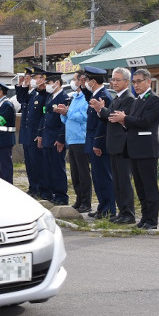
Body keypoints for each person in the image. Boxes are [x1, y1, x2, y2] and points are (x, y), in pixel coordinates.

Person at [109, 68, 159, 229]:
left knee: (149, 186)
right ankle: (144, 218)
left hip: (147, 149)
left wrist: (125, 118)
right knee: (140, 187)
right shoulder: (138, 100)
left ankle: (152, 220)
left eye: (139, 81)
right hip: (134, 149)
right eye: (134, 82)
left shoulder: (153, 99)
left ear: (148, 81)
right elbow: (133, 122)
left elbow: (145, 121)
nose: (136, 85)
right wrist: (123, 122)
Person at [90, 67, 136, 224]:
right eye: (113, 79)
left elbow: (116, 117)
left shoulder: (128, 98)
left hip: (122, 146)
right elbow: (109, 118)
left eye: (118, 80)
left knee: (124, 181)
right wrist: (101, 111)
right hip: (114, 145)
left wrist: (101, 109)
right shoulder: (117, 98)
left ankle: (128, 213)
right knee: (117, 181)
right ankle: (121, 211)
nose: (114, 82)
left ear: (126, 82)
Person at [55, 71, 92, 213]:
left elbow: (83, 116)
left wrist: (67, 113)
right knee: (75, 173)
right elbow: (68, 118)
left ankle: (86, 202)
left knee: (83, 172)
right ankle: (79, 198)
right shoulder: (75, 97)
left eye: (75, 79)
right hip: (71, 139)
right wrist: (63, 113)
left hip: (81, 138)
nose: (72, 81)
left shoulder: (85, 98)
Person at [82, 66, 116, 219]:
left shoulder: (104, 96)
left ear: (93, 81)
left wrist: (97, 143)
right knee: (97, 176)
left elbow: (103, 123)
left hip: (99, 142)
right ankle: (102, 207)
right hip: (91, 140)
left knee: (104, 176)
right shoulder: (95, 94)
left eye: (87, 80)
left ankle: (109, 209)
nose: (86, 82)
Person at [35, 71, 69, 205]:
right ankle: (51, 193)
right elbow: (45, 117)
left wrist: (61, 139)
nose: (47, 85)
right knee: (47, 168)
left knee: (58, 168)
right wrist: (40, 134)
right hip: (47, 137)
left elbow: (64, 121)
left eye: (49, 83)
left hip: (56, 138)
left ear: (57, 83)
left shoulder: (64, 98)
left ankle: (61, 195)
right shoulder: (50, 97)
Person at [16, 67, 44, 197]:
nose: (29, 80)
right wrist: (23, 85)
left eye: (31, 77)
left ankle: (38, 187)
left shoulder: (39, 94)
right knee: (29, 163)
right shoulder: (30, 93)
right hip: (27, 133)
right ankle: (32, 186)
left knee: (36, 163)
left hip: (34, 133)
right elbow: (21, 99)